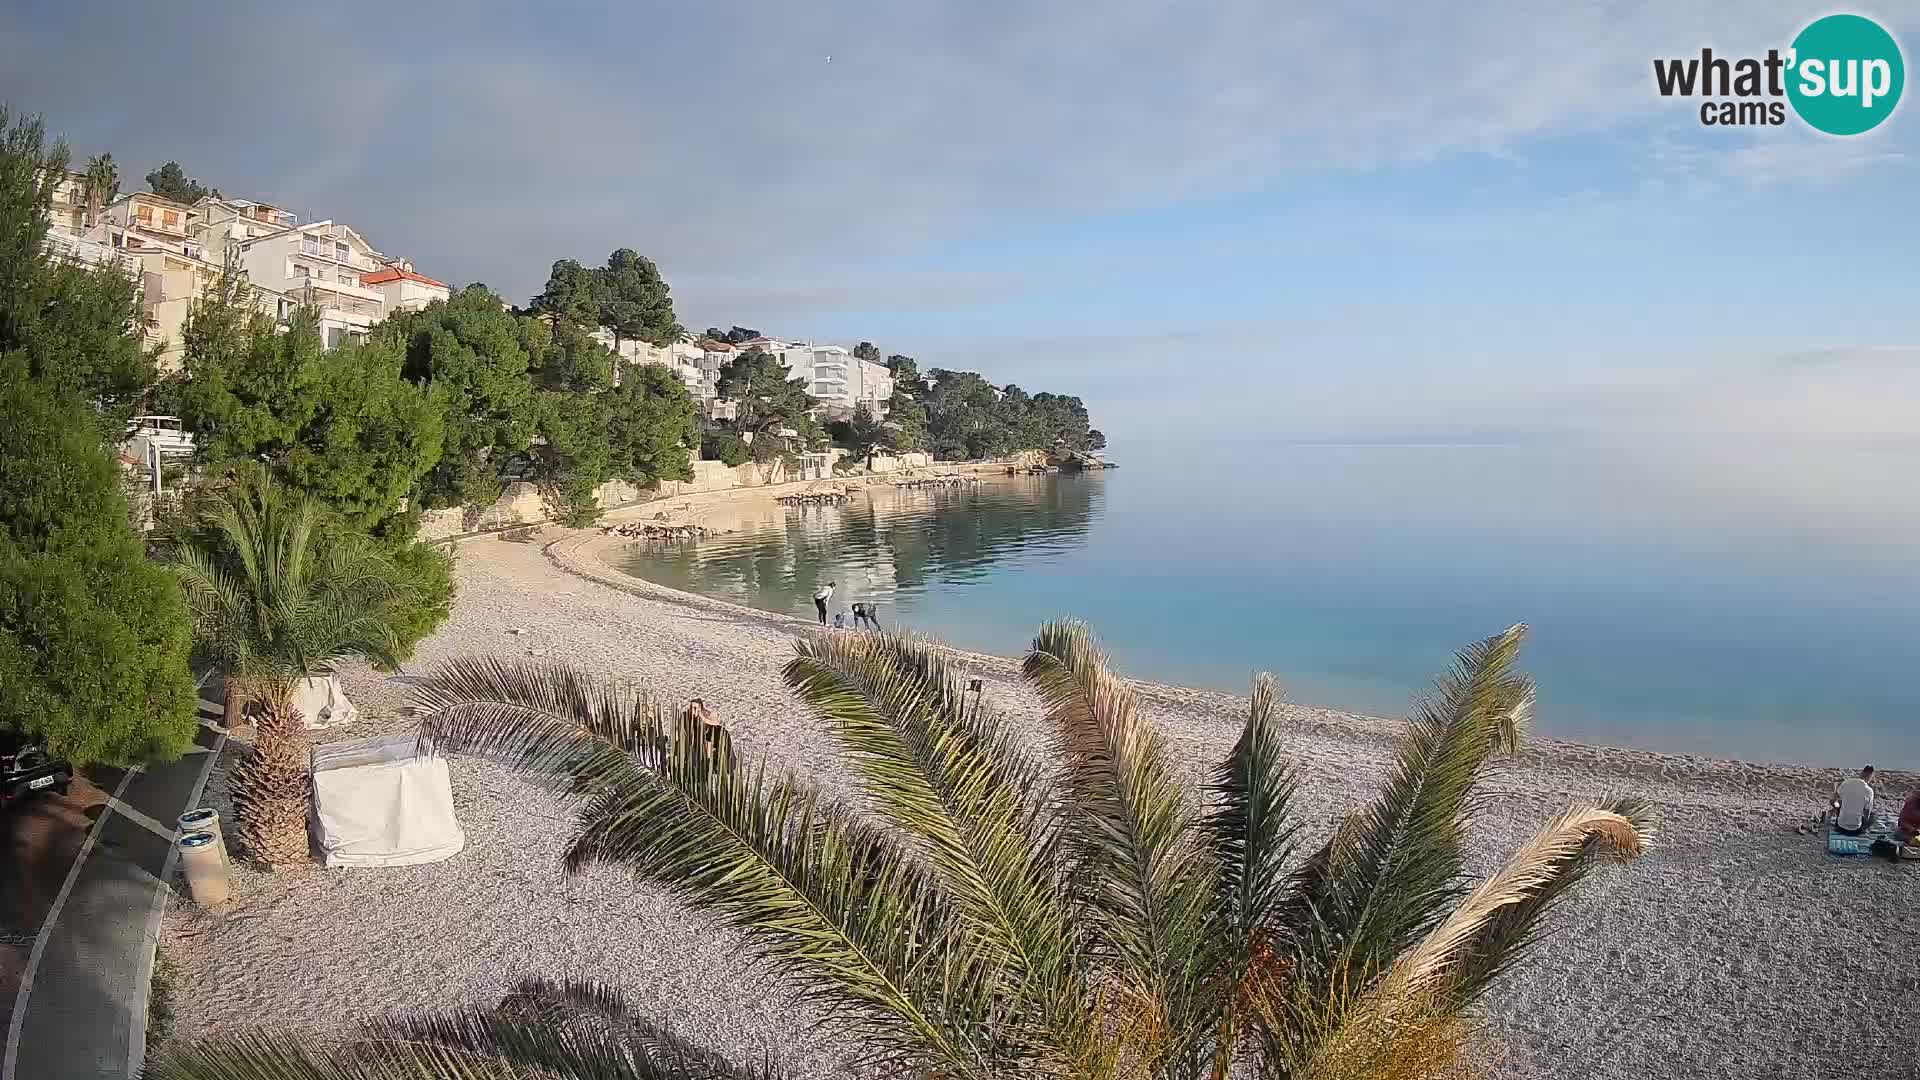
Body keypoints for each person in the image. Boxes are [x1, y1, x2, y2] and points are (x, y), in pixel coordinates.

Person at [1831, 764, 1876, 836]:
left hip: (1841, 827)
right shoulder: (1869, 791)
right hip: (1856, 829)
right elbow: (1867, 813)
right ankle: (1864, 832)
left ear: (1862, 773)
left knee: (1839, 802)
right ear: (1870, 776)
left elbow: (1832, 801)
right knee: (1872, 814)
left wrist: (1837, 808)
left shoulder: (1846, 783)